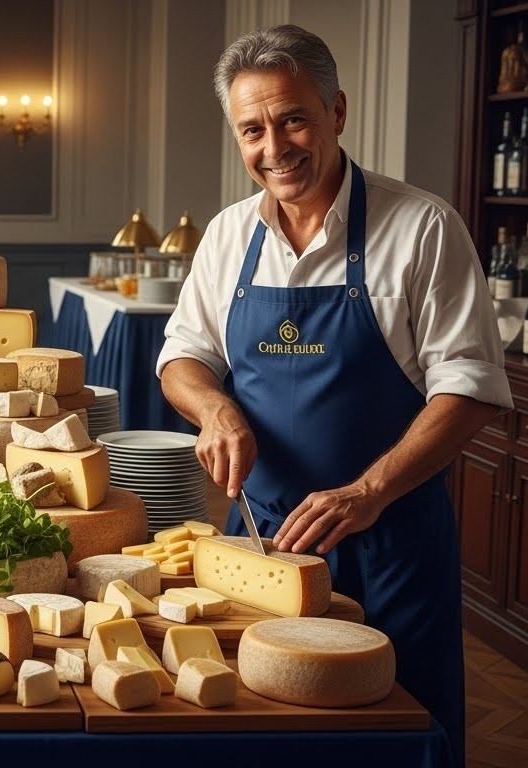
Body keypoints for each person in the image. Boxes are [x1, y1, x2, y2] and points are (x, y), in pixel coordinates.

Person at [158, 24, 510, 767]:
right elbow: (181, 358)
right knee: (260, 731)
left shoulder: (420, 228)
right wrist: (214, 406)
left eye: (292, 118)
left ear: (336, 111)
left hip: (389, 545)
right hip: (263, 548)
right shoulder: (227, 237)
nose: (273, 147)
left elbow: (470, 388)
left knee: (399, 731)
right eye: (251, 129)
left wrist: (367, 491)